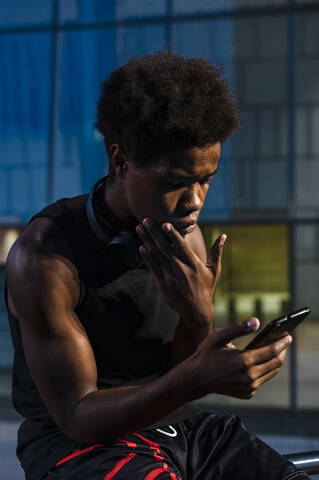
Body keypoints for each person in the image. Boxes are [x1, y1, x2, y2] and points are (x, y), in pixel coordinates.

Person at [5, 52, 309, 480]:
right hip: (78, 443)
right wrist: (198, 378)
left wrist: (197, 319)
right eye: (176, 182)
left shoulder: (187, 237)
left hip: (177, 422)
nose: (196, 201)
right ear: (121, 161)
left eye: (206, 178)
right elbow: (78, 416)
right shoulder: (43, 258)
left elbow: (176, 371)